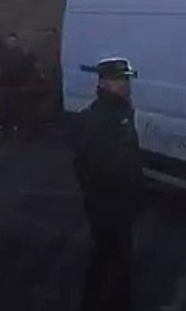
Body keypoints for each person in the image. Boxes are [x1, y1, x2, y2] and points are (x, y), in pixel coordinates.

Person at [67, 57, 142, 311]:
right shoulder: (99, 116)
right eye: (121, 79)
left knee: (116, 259)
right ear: (105, 83)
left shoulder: (122, 111)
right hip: (108, 203)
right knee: (109, 258)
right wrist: (100, 195)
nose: (126, 84)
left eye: (127, 79)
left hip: (121, 201)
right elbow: (85, 162)